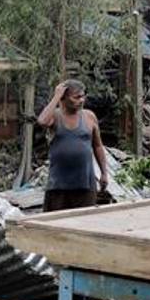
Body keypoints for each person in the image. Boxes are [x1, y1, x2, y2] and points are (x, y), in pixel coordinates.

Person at [38, 79, 110, 212]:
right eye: (76, 97)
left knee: (84, 224)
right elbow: (42, 121)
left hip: (85, 185)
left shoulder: (89, 117)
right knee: (54, 225)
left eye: (83, 96)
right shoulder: (55, 116)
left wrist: (104, 173)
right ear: (64, 98)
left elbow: (98, 146)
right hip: (58, 186)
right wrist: (56, 97)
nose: (81, 100)